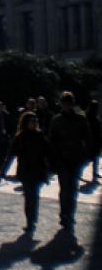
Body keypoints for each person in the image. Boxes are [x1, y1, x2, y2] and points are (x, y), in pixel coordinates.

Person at [48, 92, 91, 233]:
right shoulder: (56, 120)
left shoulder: (80, 119)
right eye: (64, 103)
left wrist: (84, 157)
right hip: (62, 159)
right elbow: (51, 141)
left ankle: (69, 214)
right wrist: (52, 159)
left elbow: (87, 138)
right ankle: (64, 213)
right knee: (65, 188)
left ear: (71, 104)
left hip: (75, 159)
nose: (66, 106)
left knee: (72, 189)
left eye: (68, 103)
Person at [6, 111, 51, 233]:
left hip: (38, 170)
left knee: (33, 197)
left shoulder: (40, 136)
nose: (35, 123)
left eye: (36, 121)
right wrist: (3, 170)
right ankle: (30, 221)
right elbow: (11, 154)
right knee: (29, 197)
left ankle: (32, 221)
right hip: (25, 171)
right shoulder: (20, 137)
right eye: (33, 121)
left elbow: (48, 153)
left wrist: (50, 170)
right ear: (26, 123)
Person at [87, 100, 101, 185]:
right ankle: (94, 174)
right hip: (93, 141)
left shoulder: (88, 117)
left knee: (90, 158)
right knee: (94, 158)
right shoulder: (94, 118)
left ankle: (95, 174)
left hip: (92, 141)